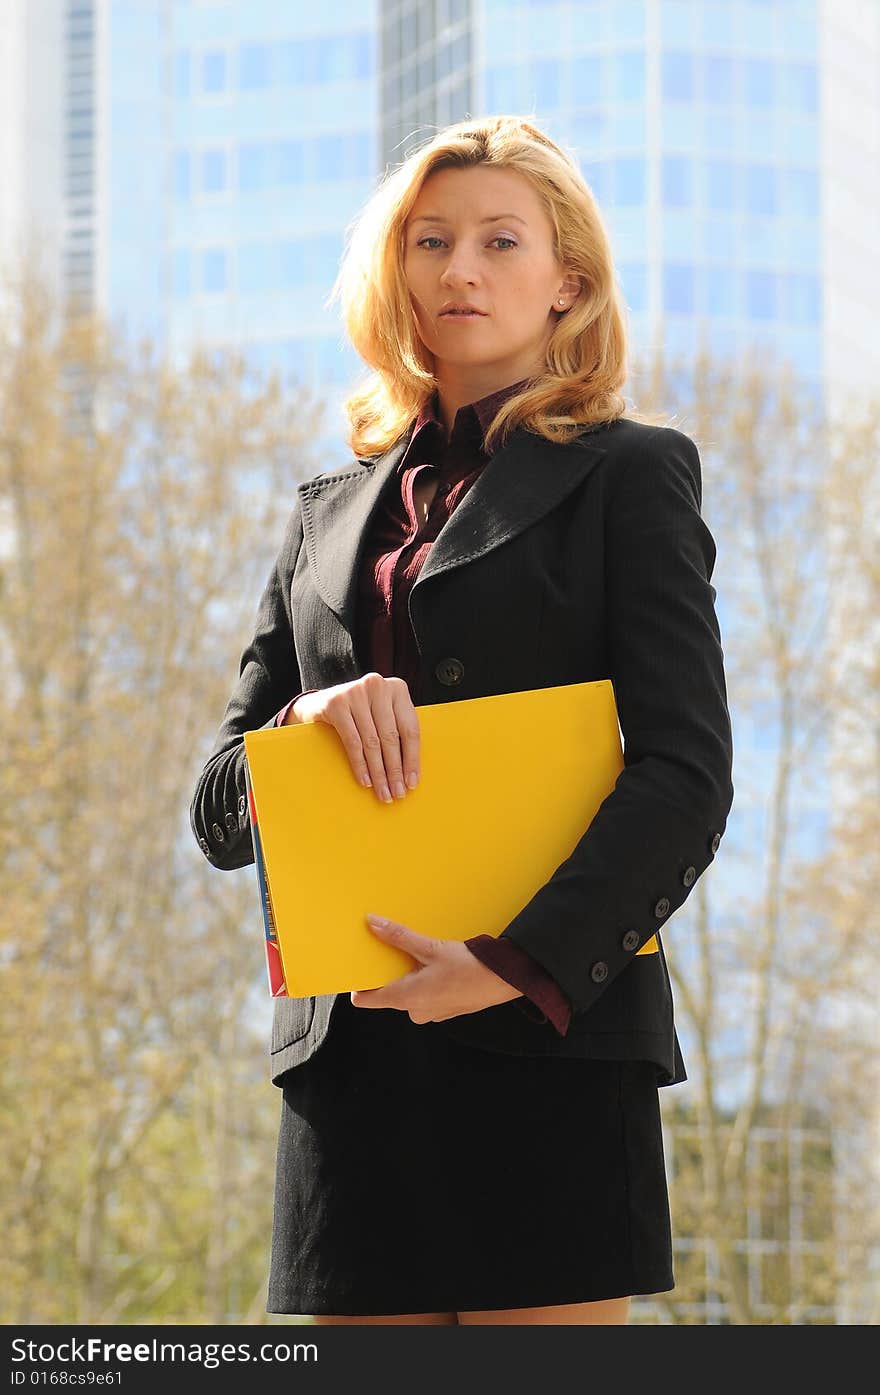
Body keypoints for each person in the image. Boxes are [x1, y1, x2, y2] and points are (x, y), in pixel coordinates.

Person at [189, 115, 734, 1326]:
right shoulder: (325, 515)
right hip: (352, 1065)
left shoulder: (631, 474)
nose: (459, 269)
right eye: (429, 241)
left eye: (500, 240)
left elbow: (685, 775)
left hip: (549, 1034)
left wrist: (510, 965)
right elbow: (217, 805)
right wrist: (302, 723)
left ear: (568, 281)